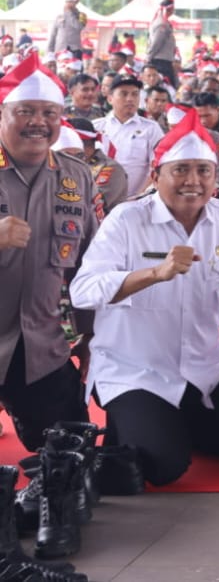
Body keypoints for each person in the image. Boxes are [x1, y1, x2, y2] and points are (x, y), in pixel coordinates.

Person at [70, 112, 219, 485]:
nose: (193, 181)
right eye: (181, 170)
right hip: (134, 370)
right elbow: (84, 289)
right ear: (156, 177)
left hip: (204, 368)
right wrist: (153, 274)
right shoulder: (127, 220)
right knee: (163, 468)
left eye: (204, 170)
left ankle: (168, 427)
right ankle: (140, 426)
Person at [0, 54, 98, 448]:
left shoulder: (75, 176)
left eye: (50, 112)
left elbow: (91, 263)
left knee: (72, 456)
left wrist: (92, 334)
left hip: (39, 345)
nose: (39, 121)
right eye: (26, 111)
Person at [95, 75, 161, 196]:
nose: (130, 99)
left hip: (137, 201)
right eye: (124, 94)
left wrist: (139, 197)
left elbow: (158, 167)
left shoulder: (151, 129)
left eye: (135, 94)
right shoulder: (97, 127)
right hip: (97, 202)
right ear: (110, 98)